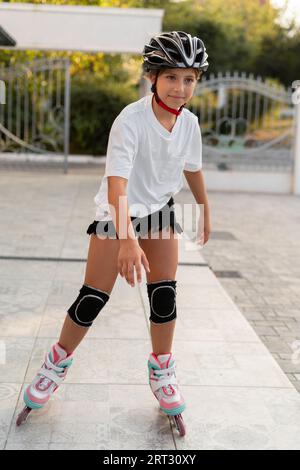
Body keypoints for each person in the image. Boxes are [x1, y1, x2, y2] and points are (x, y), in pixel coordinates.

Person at [19, 31, 211, 425]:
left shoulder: (189, 123)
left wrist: (205, 207)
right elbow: (116, 184)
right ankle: (55, 365)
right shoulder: (131, 119)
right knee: (92, 298)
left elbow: (191, 166)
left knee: (164, 297)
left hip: (158, 211)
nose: (180, 87)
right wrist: (127, 240)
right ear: (153, 77)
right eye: (171, 77)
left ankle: (162, 371)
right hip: (116, 215)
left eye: (189, 78)